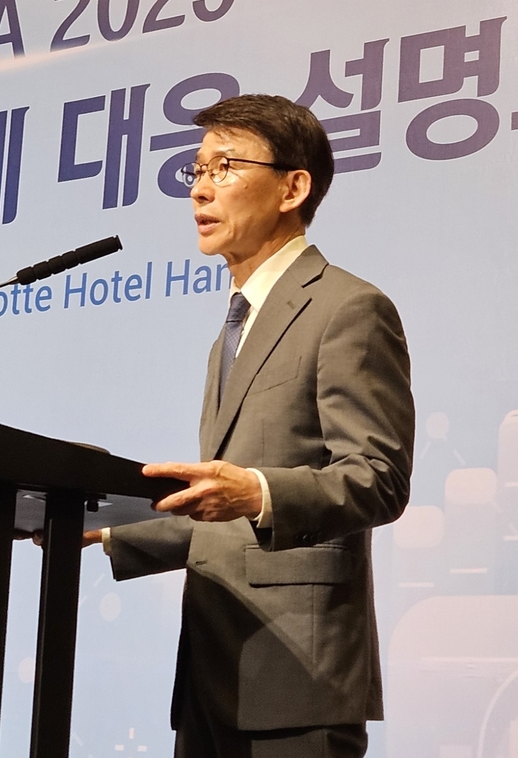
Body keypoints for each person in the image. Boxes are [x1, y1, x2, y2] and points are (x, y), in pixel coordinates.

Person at [90, 94, 414, 758]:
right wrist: (105, 530)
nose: (200, 189)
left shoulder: (348, 307)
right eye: (197, 170)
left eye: (226, 167)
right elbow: (223, 513)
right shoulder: (232, 332)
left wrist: (257, 492)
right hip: (212, 672)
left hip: (298, 675)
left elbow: (378, 478)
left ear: (293, 188)